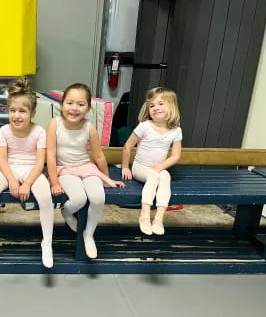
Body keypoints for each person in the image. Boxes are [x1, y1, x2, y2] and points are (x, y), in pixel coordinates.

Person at [0, 77, 54, 268]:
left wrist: (27, 183)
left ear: (33, 113)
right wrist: (12, 180)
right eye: (12, 110)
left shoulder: (39, 132)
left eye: (22, 111)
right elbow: (2, 160)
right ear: (7, 111)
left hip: (32, 170)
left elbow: (39, 163)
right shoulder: (4, 131)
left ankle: (47, 243)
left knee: (45, 198)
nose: (17, 115)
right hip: (9, 169)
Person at [47, 83, 125, 259]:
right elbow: (50, 156)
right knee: (79, 198)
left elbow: (98, 156)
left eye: (81, 104)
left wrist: (107, 178)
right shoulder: (55, 124)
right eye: (70, 103)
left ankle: (88, 234)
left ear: (88, 108)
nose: (74, 108)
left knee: (98, 198)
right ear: (62, 104)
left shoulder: (89, 127)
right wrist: (55, 182)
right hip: (65, 169)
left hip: (86, 167)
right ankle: (66, 212)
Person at [121, 87, 182, 235]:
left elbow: (175, 156)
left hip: (157, 168)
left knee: (165, 176)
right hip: (140, 167)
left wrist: (159, 167)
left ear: (172, 106)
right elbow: (127, 146)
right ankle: (145, 215)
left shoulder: (176, 130)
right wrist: (125, 167)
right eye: (152, 105)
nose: (155, 108)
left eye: (161, 104)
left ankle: (159, 219)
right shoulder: (145, 126)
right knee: (155, 176)